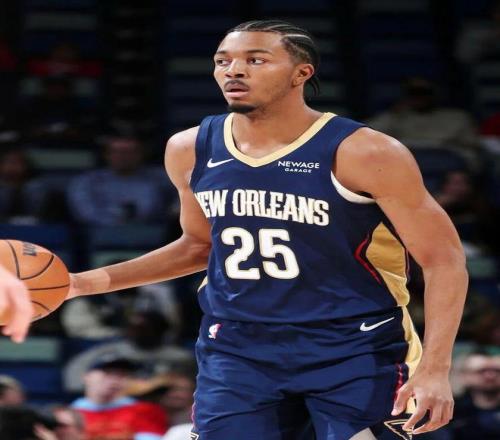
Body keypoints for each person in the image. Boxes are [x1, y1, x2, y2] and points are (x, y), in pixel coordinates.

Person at [6, 19, 466, 439]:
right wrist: (75, 284)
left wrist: (435, 368)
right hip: (239, 347)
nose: (234, 71)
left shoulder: (365, 152)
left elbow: (443, 261)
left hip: (353, 344)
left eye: (256, 60)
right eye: (223, 61)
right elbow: (198, 247)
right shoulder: (190, 148)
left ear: (301, 73)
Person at [64, 310, 194, 393]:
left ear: (161, 330)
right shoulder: (109, 350)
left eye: (144, 328)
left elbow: (190, 387)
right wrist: (85, 390)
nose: (137, 333)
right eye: (133, 328)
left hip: (161, 402)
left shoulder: (181, 357)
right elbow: (76, 372)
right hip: (117, 400)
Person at [67, 136, 174, 225]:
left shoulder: (161, 178)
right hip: (99, 233)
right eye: (117, 152)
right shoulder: (86, 181)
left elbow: (175, 206)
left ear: (141, 154)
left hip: (153, 231)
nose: (124, 157)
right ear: (107, 155)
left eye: (130, 152)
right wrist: (116, 223)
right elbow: (85, 213)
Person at [71, 355, 168, 440]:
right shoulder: (69, 414)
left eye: (122, 375)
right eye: (107, 373)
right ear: (86, 376)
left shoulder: (146, 411)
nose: (115, 380)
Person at [449, 351, 500, 439]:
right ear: (464, 376)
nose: (490, 376)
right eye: (481, 371)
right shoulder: (452, 411)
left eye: (497, 371)